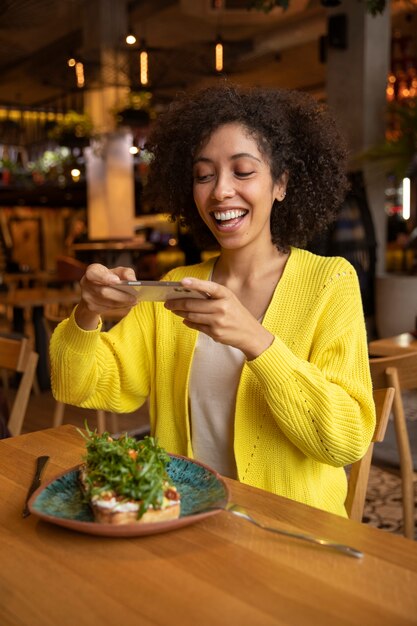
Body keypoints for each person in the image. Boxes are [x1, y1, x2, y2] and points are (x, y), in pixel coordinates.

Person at [50, 83, 376, 517]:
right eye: (204, 175)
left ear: (281, 183)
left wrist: (257, 342)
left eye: (242, 171)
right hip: (189, 524)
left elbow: (346, 441)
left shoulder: (329, 282)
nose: (220, 191)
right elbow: (77, 384)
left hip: (291, 534)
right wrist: (89, 311)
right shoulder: (177, 286)